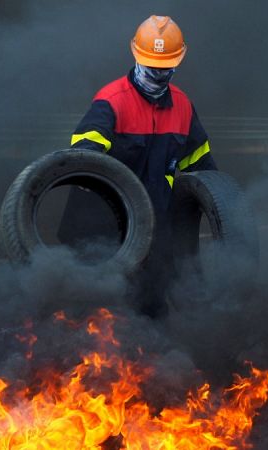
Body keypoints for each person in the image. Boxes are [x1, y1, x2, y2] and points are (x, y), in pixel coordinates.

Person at [66, 15, 217, 316]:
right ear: (136, 56)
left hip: (154, 234)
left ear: (178, 62)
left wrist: (220, 208)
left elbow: (202, 171)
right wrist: (92, 158)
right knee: (96, 320)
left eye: (164, 69)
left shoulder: (183, 106)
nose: (157, 75)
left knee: (151, 314)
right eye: (152, 68)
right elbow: (82, 158)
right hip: (102, 234)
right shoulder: (111, 101)